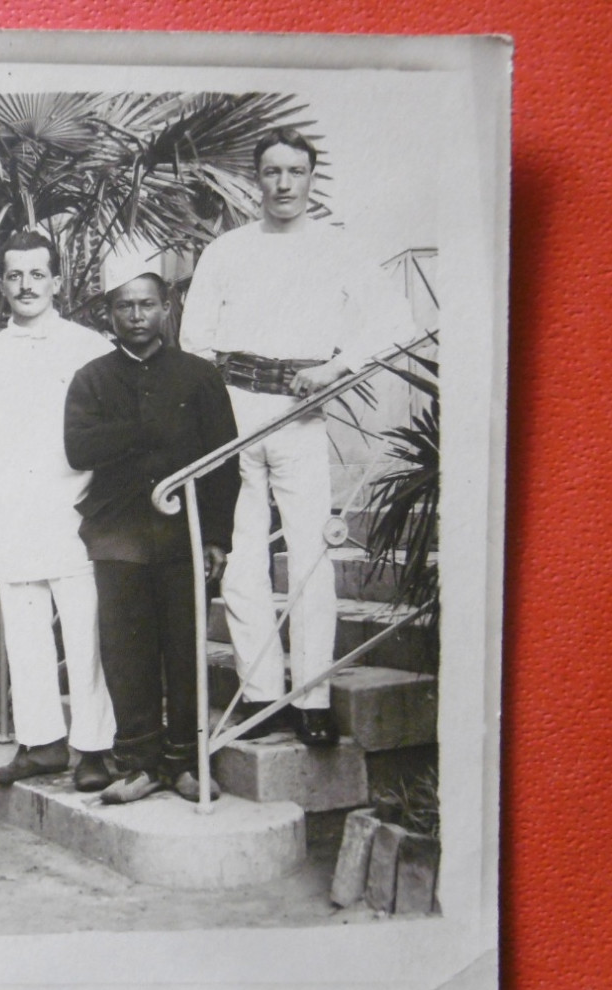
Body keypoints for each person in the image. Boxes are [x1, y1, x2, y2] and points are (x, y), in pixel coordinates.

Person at [179, 127, 417, 747]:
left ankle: (311, 698)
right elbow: (193, 339)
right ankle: (262, 696)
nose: (283, 184)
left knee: (310, 556)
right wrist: (215, 406)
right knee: (241, 561)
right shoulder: (226, 250)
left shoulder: (339, 249)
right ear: (257, 180)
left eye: (295, 172)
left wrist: (337, 366)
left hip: (299, 413)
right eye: (272, 172)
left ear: (311, 179)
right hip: (230, 413)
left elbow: (397, 324)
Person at [64, 238, 239, 803]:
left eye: (146, 304)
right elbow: (78, 447)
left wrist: (216, 536)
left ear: (166, 309)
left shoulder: (197, 377)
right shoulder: (91, 377)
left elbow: (222, 461)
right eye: (124, 306)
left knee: (185, 649)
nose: (136, 316)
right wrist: (143, 428)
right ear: (109, 313)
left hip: (183, 535)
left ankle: (183, 763)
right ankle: (138, 763)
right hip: (117, 534)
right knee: (127, 651)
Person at [0, 230, 116, 789]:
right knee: (24, 628)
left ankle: (95, 746)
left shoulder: (90, 347)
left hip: (76, 509)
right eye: (15, 275)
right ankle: (41, 742)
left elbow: (109, 431)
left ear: (57, 280)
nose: (26, 285)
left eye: (37, 274)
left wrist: (89, 490)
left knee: (86, 630)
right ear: (2, 283)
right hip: (15, 511)